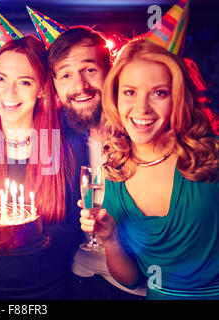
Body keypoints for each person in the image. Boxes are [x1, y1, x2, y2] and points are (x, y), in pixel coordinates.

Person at [80, 38, 219, 300]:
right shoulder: (112, 175)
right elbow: (130, 279)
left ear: (177, 97)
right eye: (130, 92)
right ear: (115, 97)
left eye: (159, 93)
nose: (142, 108)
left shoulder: (210, 157)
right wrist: (110, 238)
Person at [0, 35, 82, 300]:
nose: (9, 93)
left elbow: (75, 231)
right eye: (0, 78)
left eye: (24, 82)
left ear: (40, 88)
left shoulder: (68, 147)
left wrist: (19, 233)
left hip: (47, 293)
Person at [46, 26, 146, 299]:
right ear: (55, 86)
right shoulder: (60, 141)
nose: (79, 86)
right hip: (78, 279)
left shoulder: (143, 134)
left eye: (89, 69)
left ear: (110, 72)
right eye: (66, 75)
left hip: (138, 289)